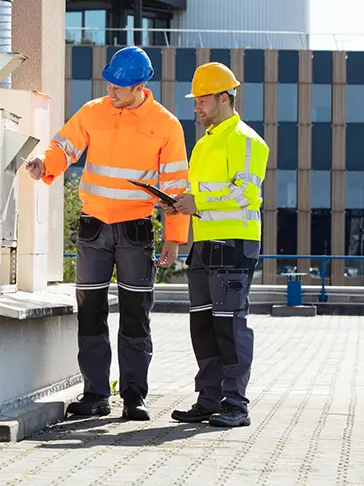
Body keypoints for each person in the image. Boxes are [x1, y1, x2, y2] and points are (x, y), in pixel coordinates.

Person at [26, 47, 189, 421]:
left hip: (136, 231)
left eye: (120, 87)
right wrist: (44, 164)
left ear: (141, 85)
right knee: (90, 314)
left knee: (135, 316)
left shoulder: (166, 125)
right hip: (93, 228)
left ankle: (134, 398)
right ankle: (96, 394)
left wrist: (173, 238)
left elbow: (177, 187)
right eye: (110, 84)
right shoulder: (93, 111)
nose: (112, 91)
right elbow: (64, 147)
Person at [163, 62, 270, 428]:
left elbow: (247, 194)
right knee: (204, 327)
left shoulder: (246, 140)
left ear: (224, 98)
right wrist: (179, 202)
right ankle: (208, 400)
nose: (196, 107)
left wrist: (199, 202)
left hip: (234, 246)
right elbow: (203, 194)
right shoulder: (205, 143)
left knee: (229, 326)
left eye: (202, 100)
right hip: (205, 245)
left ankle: (236, 405)